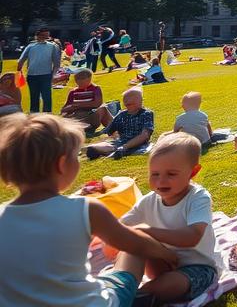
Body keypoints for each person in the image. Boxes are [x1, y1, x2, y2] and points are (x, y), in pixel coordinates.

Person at [0, 113, 179, 307]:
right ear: (61, 164)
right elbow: (135, 244)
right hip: (88, 303)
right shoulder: (84, 209)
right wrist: (168, 254)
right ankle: (147, 294)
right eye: (76, 156)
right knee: (136, 241)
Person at [105, 133, 224, 303]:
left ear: (193, 172)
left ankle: (137, 298)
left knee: (172, 284)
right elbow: (119, 229)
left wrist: (148, 231)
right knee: (132, 243)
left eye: (171, 174)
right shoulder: (149, 201)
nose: (161, 181)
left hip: (196, 267)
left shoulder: (198, 197)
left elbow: (192, 237)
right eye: (155, 174)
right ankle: (117, 288)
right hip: (160, 263)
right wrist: (107, 233)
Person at [87, 88, 154, 159]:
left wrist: (124, 147)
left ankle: (120, 150)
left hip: (139, 143)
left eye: (130, 104)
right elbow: (108, 131)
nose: (127, 106)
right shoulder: (122, 115)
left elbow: (145, 135)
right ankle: (111, 151)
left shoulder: (146, 114)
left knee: (122, 147)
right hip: (120, 142)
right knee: (93, 148)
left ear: (140, 101)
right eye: (126, 104)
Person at [17, 27, 61, 113]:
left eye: (46, 35)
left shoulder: (52, 46)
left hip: (46, 75)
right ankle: (34, 116)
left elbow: (56, 63)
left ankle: (47, 116)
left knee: (46, 97)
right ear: (37, 35)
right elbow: (21, 61)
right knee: (34, 97)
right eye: (43, 35)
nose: (45, 37)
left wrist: (54, 75)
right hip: (32, 75)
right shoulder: (30, 46)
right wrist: (19, 72)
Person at [60, 68, 104, 134]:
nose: (77, 81)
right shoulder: (73, 92)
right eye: (76, 79)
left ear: (89, 79)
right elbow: (64, 109)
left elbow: (97, 104)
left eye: (81, 79)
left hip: (92, 115)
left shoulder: (95, 89)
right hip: (78, 116)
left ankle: (112, 129)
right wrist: (70, 108)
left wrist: (77, 105)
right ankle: (81, 127)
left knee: (103, 109)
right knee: (65, 116)